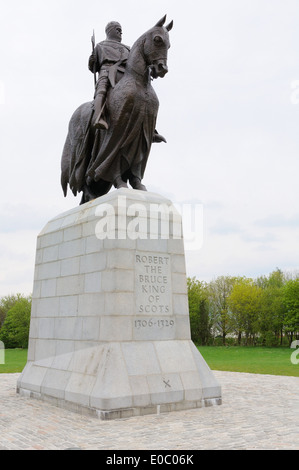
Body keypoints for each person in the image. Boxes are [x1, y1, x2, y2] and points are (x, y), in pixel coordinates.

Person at [88, 21, 130, 130]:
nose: (121, 32)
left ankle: (149, 127)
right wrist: (92, 61)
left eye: (121, 30)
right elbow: (93, 67)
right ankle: (99, 117)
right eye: (118, 29)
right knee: (102, 89)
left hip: (125, 73)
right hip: (106, 70)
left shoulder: (128, 48)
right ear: (110, 31)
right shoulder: (100, 46)